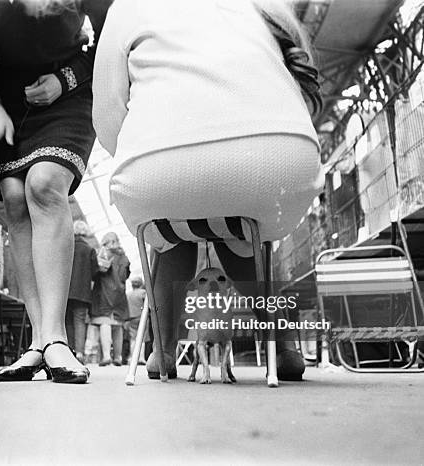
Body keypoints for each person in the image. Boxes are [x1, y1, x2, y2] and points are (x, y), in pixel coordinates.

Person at [93, 0, 323, 381]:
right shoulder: (270, 5)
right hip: (279, 161)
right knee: (249, 229)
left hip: (159, 166)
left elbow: (107, 118)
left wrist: (157, 154)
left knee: (171, 227)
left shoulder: (128, 7)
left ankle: (162, 351)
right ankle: (281, 346)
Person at [0, 0, 113, 384]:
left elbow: (111, 39)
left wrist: (66, 80)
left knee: (43, 185)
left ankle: (57, 339)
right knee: (14, 198)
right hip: (6, 98)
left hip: (69, 89)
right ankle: (39, 340)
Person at [90, 232, 130, 366]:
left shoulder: (103, 254)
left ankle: (107, 355)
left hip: (104, 294)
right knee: (117, 325)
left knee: (105, 323)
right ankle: (118, 357)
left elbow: (96, 272)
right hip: (120, 295)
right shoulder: (124, 257)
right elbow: (126, 275)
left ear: (106, 242)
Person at [65, 220, 98, 363]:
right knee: (79, 321)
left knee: (67, 321)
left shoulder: (66, 246)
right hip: (82, 292)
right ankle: (79, 353)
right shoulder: (90, 249)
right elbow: (95, 271)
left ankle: (68, 351)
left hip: (65, 291)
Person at [125, 277, 146, 365]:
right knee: (142, 339)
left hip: (131, 318)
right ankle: (141, 358)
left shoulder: (128, 294)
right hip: (142, 318)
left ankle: (132, 358)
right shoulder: (143, 293)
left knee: (133, 339)